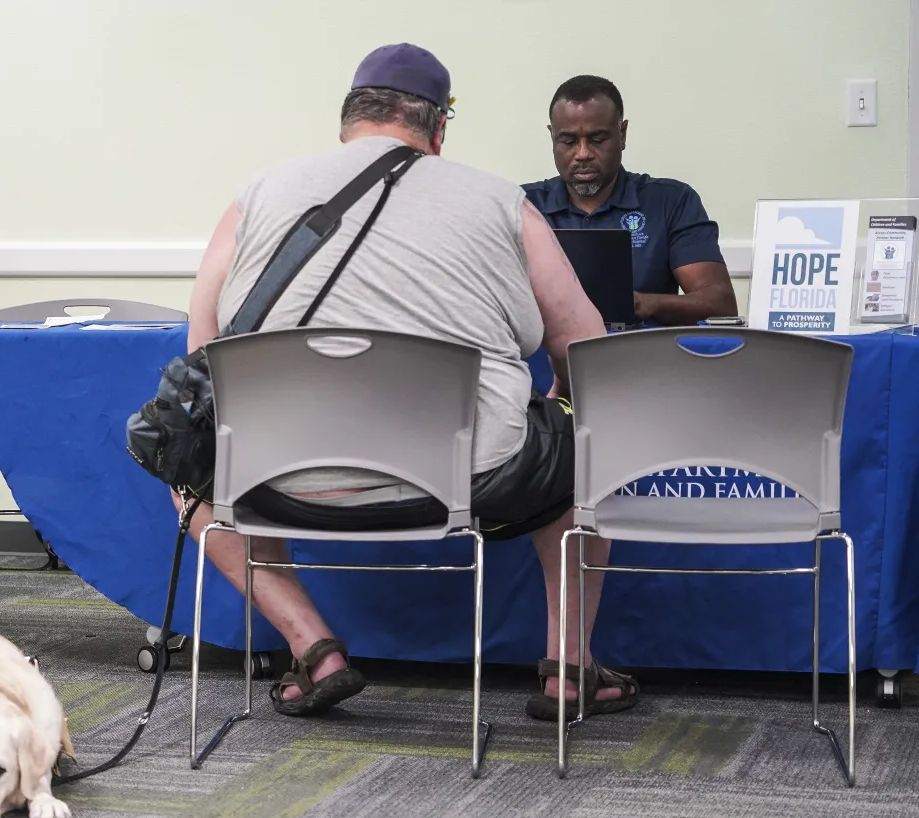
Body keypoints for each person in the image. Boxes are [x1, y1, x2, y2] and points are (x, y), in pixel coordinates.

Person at [182, 44, 638, 721]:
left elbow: (203, 353)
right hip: (462, 482)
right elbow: (587, 349)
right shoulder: (500, 201)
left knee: (186, 463)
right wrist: (557, 399)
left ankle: (313, 648)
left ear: (348, 121)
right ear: (439, 129)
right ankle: (568, 669)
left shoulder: (253, 197)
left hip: (281, 478)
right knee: (588, 440)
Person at [523, 75, 737, 326]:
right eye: (569, 141)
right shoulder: (523, 205)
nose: (582, 154)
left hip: (642, 356)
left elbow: (720, 302)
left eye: (598, 139)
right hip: (547, 359)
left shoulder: (671, 201)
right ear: (552, 138)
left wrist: (644, 304)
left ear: (622, 134)